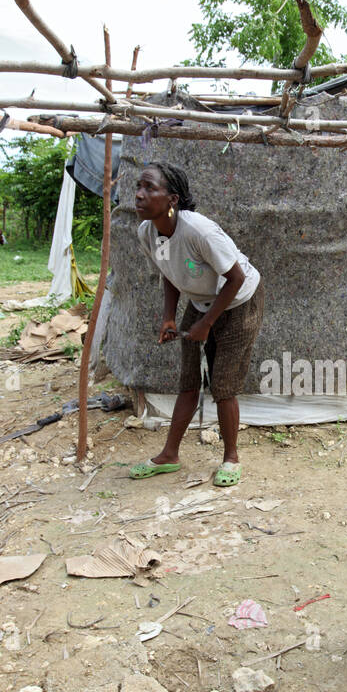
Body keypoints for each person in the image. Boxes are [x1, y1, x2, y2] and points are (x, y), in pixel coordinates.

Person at [129, 161, 264, 488]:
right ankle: (169, 455)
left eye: (150, 188)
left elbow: (236, 278)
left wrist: (206, 323)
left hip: (240, 300)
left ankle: (231, 457)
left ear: (172, 199)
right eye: (139, 187)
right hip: (203, 300)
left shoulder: (198, 231)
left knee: (223, 383)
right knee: (188, 380)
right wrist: (169, 317)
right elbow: (170, 273)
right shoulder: (149, 232)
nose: (139, 195)